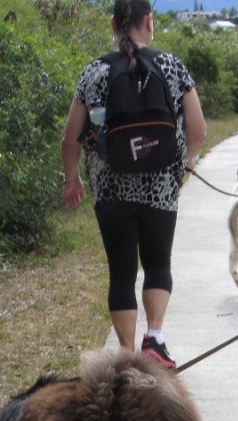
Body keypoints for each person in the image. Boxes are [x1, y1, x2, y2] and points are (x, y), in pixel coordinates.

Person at [60, 0, 207, 370]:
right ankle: (154, 339)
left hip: (110, 188)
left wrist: (71, 179)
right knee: (158, 261)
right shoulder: (172, 66)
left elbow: (70, 138)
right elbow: (199, 129)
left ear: (113, 24)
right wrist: (186, 163)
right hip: (161, 186)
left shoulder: (94, 72)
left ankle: (126, 354)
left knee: (121, 270)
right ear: (149, 22)